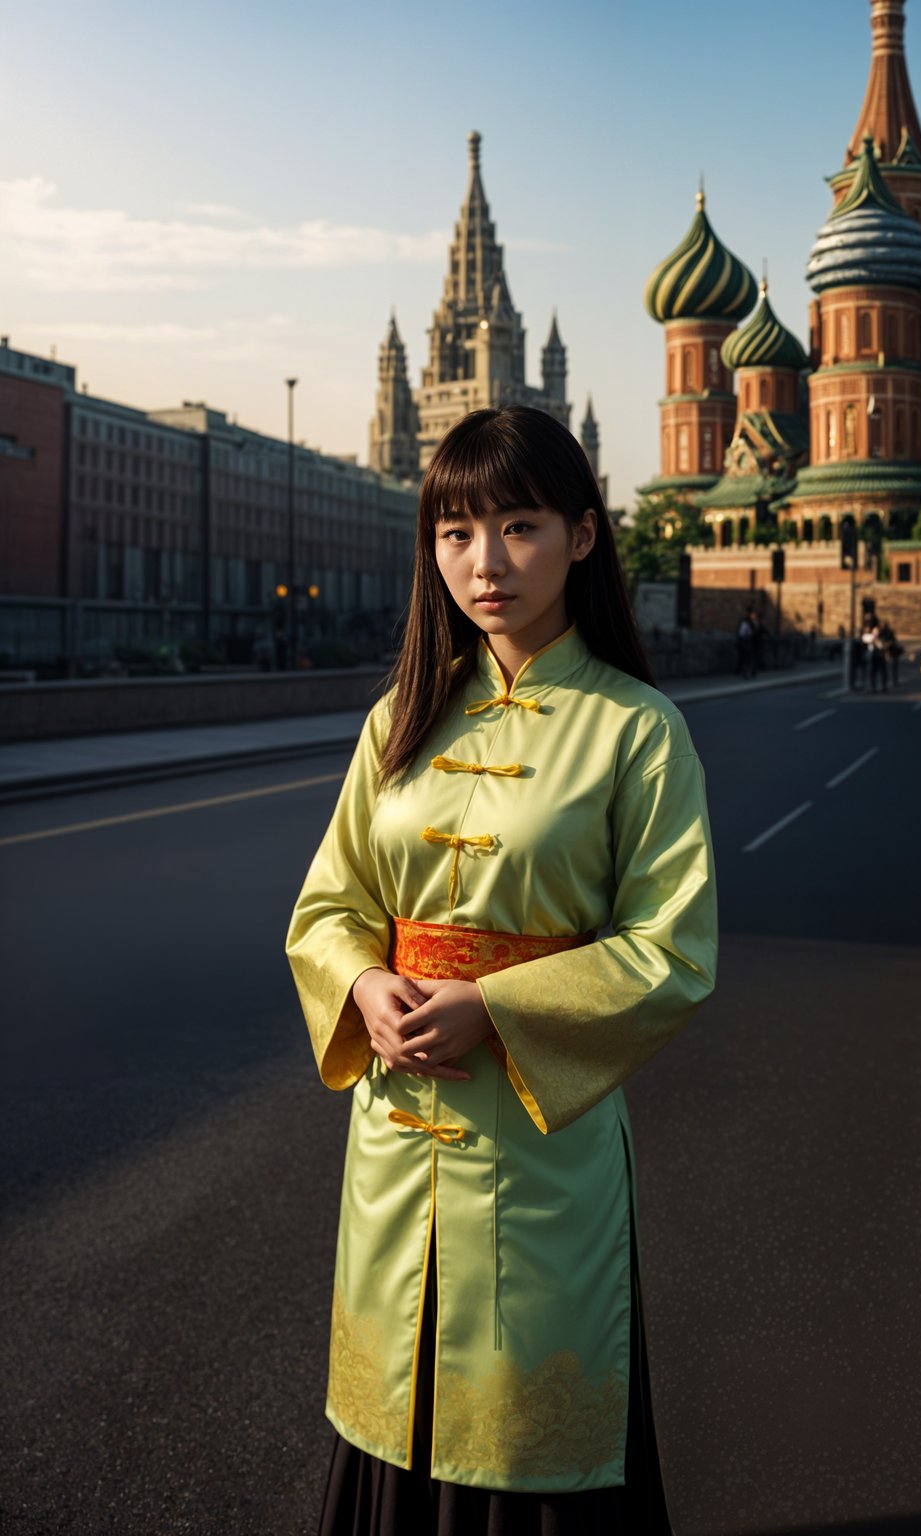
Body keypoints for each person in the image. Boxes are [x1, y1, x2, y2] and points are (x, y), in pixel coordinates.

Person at [286, 406, 718, 1536]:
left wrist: (497, 1006)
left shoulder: (639, 731)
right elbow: (332, 906)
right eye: (453, 532)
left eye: (517, 527)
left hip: (543, 1149)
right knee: (393, 1411)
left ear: (582, 536)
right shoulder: (399, 719)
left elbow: (670, 949)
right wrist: (363, 987)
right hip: (394, 1132)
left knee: (532, 1428)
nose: (483, 564)